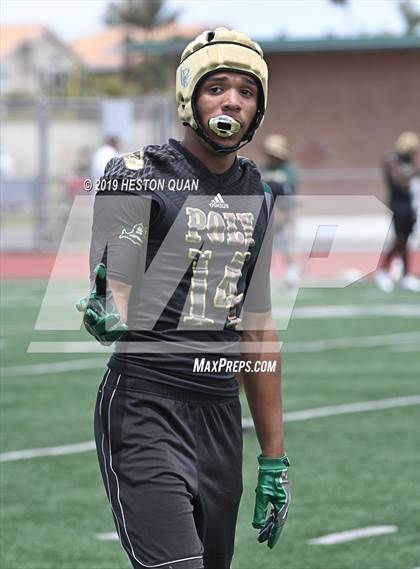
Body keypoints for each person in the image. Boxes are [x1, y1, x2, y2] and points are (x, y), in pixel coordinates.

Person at [77, 28, 290, 569]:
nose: (232, 101)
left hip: (220, 414)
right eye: (217, 87)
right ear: (189, 96)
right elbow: (116, 274)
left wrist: (273, 457)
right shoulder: (138, 174)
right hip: (148, 403)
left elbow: (258, 328)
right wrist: (109, 304)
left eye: (246, 91)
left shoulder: (256, 194)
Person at [375, 131, 420, 292]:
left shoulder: (409, 162)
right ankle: (382, 270)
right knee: (399, 239)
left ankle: (406, 275)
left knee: (406, 240)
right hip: (397, 205)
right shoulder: (392, 160)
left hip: (409, 205)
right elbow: (400, 182)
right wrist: (412, 172)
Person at [261, 134, 300, 287]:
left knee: (286, 243)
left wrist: (283, 212)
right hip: (267, 212)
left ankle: (292, 272)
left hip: (285, 211)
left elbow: (290, 191)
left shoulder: (288, 169)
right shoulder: (264, 169)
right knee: (265, 245)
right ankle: (266, 273)